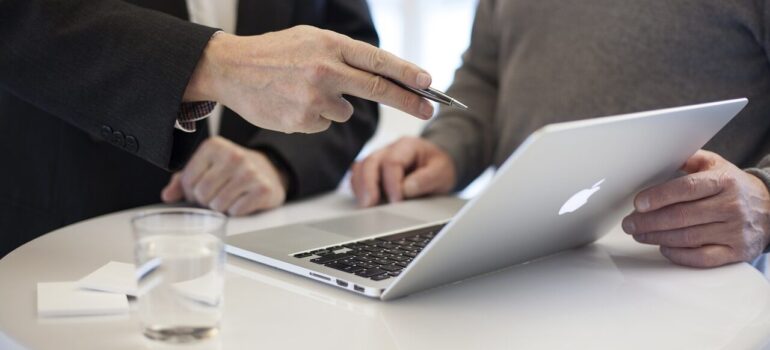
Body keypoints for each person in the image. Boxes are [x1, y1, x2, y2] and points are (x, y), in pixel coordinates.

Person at [350, 0, 770, 270]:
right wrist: (447, 148)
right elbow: (486, 75)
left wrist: (764, 198)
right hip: (514, 264)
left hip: (685, 282)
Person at [0, 0, 436, 257]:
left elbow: (348, 63)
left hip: (256, 250)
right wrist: (211, 64)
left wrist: (278, 162)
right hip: (58, 243)